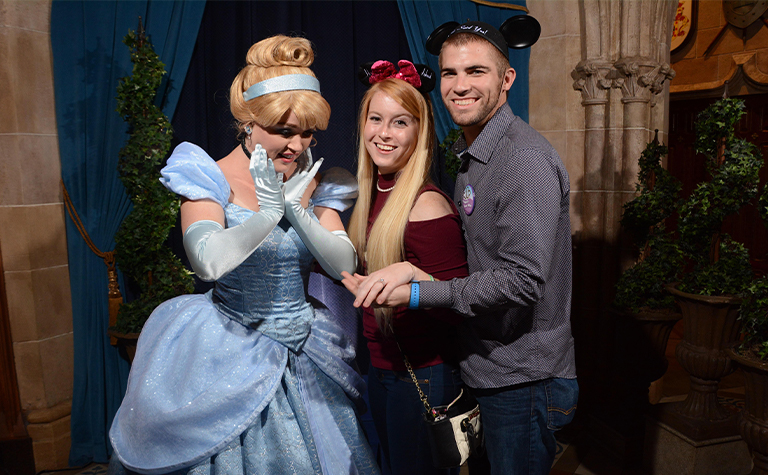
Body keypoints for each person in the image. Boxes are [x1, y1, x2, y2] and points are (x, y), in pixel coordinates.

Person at [108, 35, 379, 475]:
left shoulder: (319, 180)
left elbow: (343, 264)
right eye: (284, 131)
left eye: (307, 132)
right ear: (248, 123)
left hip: (307, 344)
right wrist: (266, 216)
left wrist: (298, 211)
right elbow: (207, 263)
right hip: (229, 346)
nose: (296, 146)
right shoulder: (207, 175)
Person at [342, 21, 578, 475]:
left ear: (507, 79)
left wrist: (417, 288)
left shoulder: (522, 160)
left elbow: (523, 281)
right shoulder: (475, 156)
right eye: (449, 73)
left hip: (523, 378)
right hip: (486, 370)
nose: (460, 85)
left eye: (476, 71)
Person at [348, 60, 469, 475]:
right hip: (380, 370)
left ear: (419, 133)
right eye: (375, 119)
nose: (383, 133)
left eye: (400, 122)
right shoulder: (371, 193)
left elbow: (461, 304)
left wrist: (412, 279)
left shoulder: (425, 204)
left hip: (422, 374)